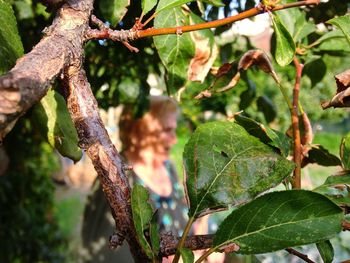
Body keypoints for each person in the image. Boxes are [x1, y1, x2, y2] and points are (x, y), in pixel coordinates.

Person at [80, 96, 190, 262]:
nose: (174, 139)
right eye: (167, 130)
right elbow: (105, 253)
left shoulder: (168, 167)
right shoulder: (115, 179)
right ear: (138, 130)